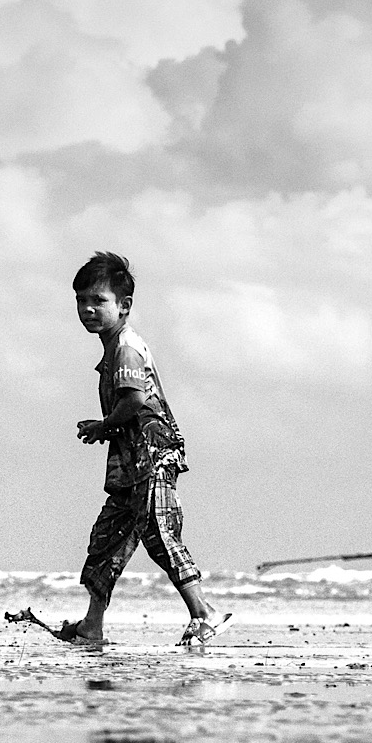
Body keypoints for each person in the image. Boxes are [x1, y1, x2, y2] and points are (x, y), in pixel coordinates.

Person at [59, 251, 227, 648]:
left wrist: (103, 425)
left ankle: (204, 613)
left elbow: (134, 399)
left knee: (159, 534)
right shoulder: (112, 346)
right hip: (128, 463)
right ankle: (92, 625)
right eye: (81, 300)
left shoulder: (126, 347)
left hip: (153, 458)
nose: (87, 309)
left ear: (124, 306)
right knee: (108, 539)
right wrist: (107, 429)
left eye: (98, 301)